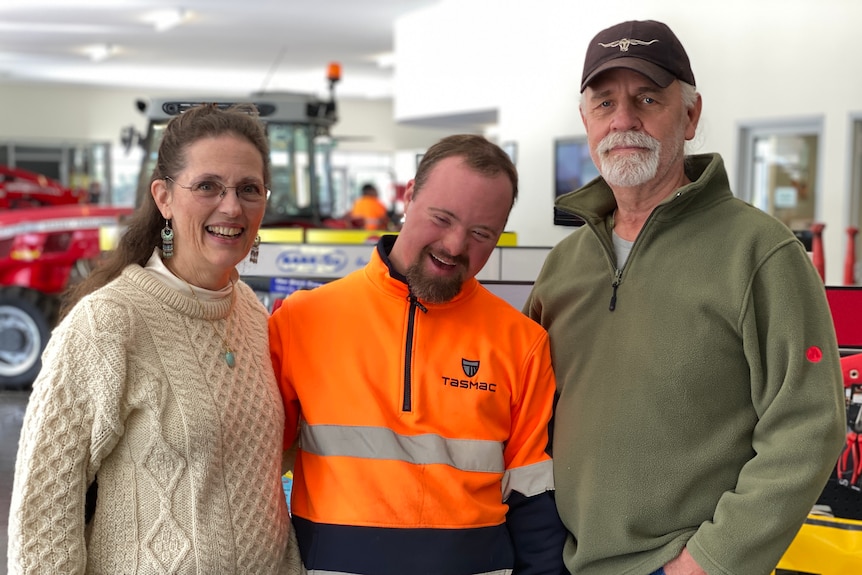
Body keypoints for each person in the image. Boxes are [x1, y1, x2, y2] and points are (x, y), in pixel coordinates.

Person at [523, 19, 847, 575]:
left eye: (647, 98)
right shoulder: (563, 266)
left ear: (691, 114)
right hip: (567, 561)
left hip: (682, 564)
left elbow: (809, 425)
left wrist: (709, 562)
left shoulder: (759, 251)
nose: (624, 120)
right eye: (605, 103)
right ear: (586, 121)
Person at [7, 103, 300, 574]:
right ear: (164, 197)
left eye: (249, 189)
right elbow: (42, 518)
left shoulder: (250, 311)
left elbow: (252, 464)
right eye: (207, 186)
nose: (232, 206)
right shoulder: (107, 324)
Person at [270, 134, 567, 575]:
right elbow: (252, 468)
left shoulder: (522, 342)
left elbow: (533, 501)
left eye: (481, 234)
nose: (454, 245)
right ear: (409, 196)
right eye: (441, 218)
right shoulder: (301, 320)